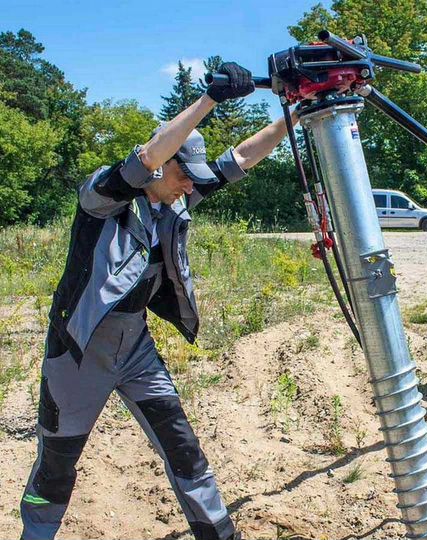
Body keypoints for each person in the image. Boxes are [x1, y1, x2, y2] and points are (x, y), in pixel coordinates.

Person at [20, 62, 295, 540]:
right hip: (80, 352)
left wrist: (295, 117)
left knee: (184, 449)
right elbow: (144, 158)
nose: (191, 185)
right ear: (162, 165)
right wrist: (209, 100)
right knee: (56, 465)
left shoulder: (175, 197)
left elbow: (241, 158)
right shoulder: (101, 198)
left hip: (136, 349)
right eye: (183, 175)